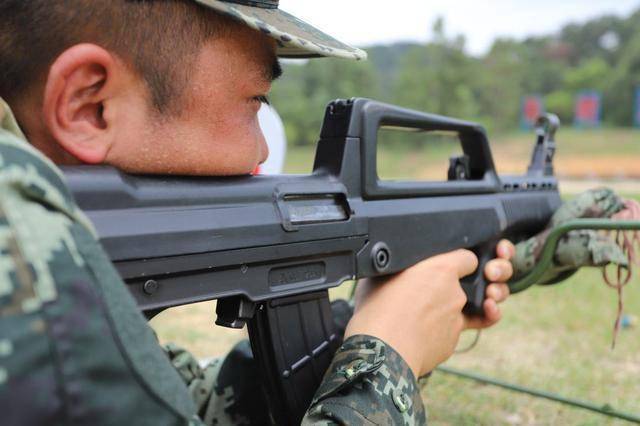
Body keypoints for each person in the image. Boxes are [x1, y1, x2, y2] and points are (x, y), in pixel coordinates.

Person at [0, 1, 520, 424]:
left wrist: (361, 324)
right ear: (90, 105)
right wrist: (386, 360)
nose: (262, 155)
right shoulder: (20, 253)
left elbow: (178, 400)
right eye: (255, 100)